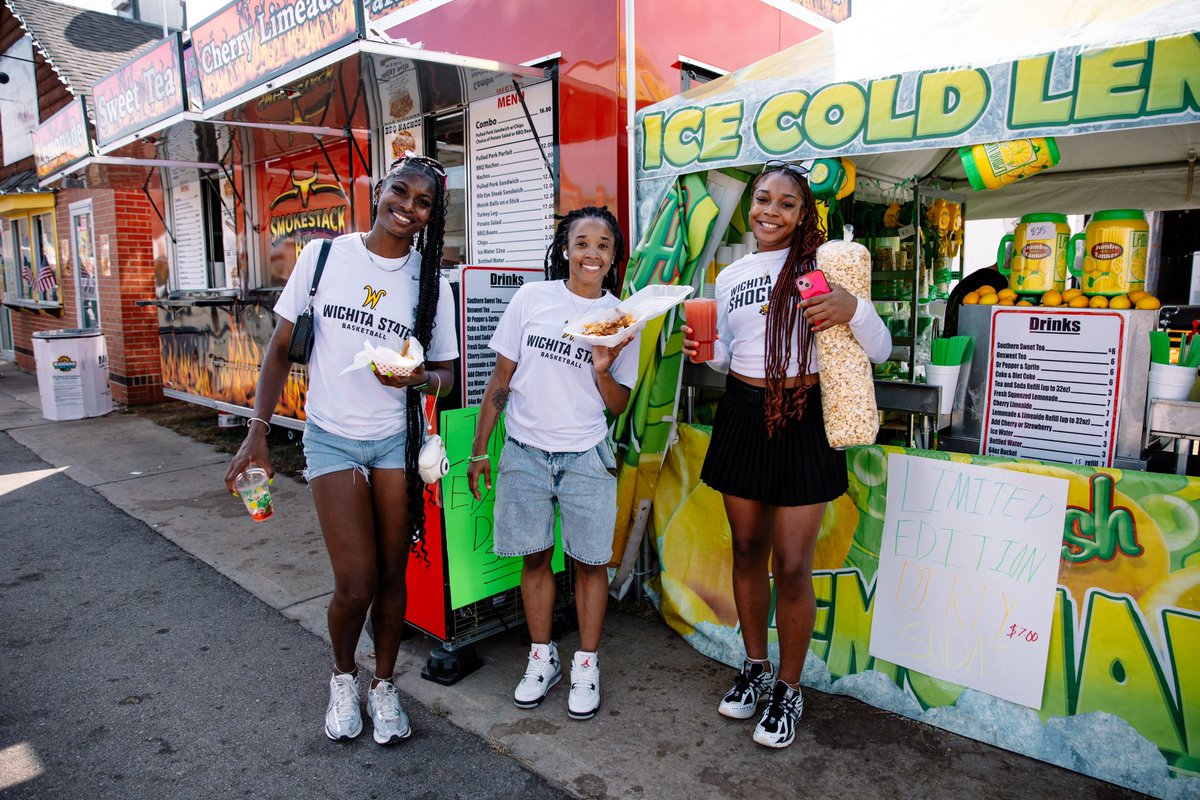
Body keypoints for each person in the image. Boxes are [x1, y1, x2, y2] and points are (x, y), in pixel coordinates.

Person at [224, 154, 458, 745]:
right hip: (331, 436)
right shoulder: (324, 256)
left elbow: (449, 375)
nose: (408, 207)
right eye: (399, 192)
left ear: (432, 215)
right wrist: (257, 429)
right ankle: (342, 676)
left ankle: (384, 687)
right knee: (355, 581)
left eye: (422, 202)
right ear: (379, 190)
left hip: (395, 442)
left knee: (392, 575)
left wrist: (418, 379)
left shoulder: (432, 285)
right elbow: (280, 348)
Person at [681, 161, 891, 748]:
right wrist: (707, 351)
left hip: (805, 417)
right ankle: (754, 667)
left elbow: (879, 349)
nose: (769, 211)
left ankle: (789, 688)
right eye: (762, 199)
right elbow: (731, 355)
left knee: (793, 565)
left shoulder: (828, 267)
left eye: (786, 203)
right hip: (745, 414)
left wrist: (854, 309)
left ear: (806, 214)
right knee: (746, 548)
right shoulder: (732, 276)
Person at [467, 206, 638, 721]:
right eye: (581, 242)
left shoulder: (621, 316)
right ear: (566, 248)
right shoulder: (531, 299)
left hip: (587, 454)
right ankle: (542, 657)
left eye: (603, 245)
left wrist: (602, 365)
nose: (591, 253)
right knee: (535, 558)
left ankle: (586, 662)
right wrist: (480, 447)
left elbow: (617, 405)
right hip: (524, 452)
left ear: (613, 257)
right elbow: (500, 380)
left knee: (590, 564)